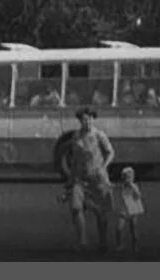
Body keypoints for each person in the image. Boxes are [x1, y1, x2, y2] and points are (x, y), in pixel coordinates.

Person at [60, 107, 115, 253]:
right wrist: (70, 182)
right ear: (80, 121)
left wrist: (104, 167)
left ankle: (103, 241)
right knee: (75, 207)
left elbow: (110, 152)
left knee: (101, 212)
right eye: (85, 119)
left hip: (97, 177)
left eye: (90, 119)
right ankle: (82, 240)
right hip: (79, 177)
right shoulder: (76, 136)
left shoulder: (99, 135)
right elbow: (75, 160)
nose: (88, 122)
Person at [113, 166, 145, 251]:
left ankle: (135, 245)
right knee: (118, 228)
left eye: (127, 177)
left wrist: (132, 187)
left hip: (132, 210)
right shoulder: (122, 186)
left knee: (133, 229)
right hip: (123, 210)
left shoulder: (133, 186)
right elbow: (115, 187)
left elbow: (138, 195)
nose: (125, 179)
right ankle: (119, 245)